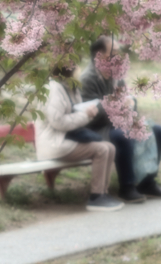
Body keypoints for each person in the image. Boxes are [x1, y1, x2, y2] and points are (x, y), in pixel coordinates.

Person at [80, 36, 161, 203]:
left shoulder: (116, 74)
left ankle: (147, 182)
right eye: (114, 52)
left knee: (157, 131)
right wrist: (117, 105)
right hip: (97, 128)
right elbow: (90, 114)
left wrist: (130, 103)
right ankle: (127, 186)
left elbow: (129, 102)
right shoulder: (87, 79)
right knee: (122, 135)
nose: (118, 56)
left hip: (121, 121)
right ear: (99, 55)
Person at [35, 64, 124, 212]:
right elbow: (57, 121)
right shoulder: (53, 89)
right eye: (76, 67)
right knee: (101, 149)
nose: (80, 71)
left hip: (66, 139)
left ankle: (103, 193)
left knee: (110, 147)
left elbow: (75, 113)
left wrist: (87, 113)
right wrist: (85, 115)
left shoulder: (70, 88)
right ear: (68, 70)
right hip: (53, 144)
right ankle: (96, 197)